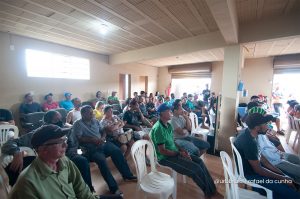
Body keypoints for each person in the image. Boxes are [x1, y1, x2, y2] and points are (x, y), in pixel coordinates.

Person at [9, 125, 96, 199]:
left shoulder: (64, 161)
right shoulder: (28, 183)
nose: (66, 145)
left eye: (65, 140)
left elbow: (82, 191)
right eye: (60, 142)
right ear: (43, 149)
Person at [150, 103, 217, 198]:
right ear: (162, 113)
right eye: (169, 111)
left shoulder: (168, 125)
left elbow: (173, 141)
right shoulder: (158, 129)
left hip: (173, 152)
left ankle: (212, 190)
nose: (171, 112)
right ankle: (209, 194)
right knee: (195, 169)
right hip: (165, 158)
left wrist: (182, 150)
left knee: (199, 161)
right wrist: (179, 153)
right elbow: (163, 151)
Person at [73, 105, 137, 195]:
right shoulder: (78, 124)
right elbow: (79, 138)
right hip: (90, 148)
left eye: (92, 112)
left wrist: (103, 137)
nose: (92, 114)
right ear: (83, 114)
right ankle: (113, 188)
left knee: (116, 151)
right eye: (90, 113)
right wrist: (92, 140)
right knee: (102, 161)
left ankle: (127, 175)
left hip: (102, 143)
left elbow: (103, 130)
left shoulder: (95, 121)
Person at [234, 113, 300, 199]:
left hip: (256, 169)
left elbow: (264, 160)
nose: (268, 127)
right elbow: (259, 170)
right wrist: (282, 178)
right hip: (251, 175)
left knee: (290, 179)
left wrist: (283, 175)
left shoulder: (249, 134)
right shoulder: (250, 142)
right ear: (257, 127)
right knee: (294, 195)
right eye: (265, 124)